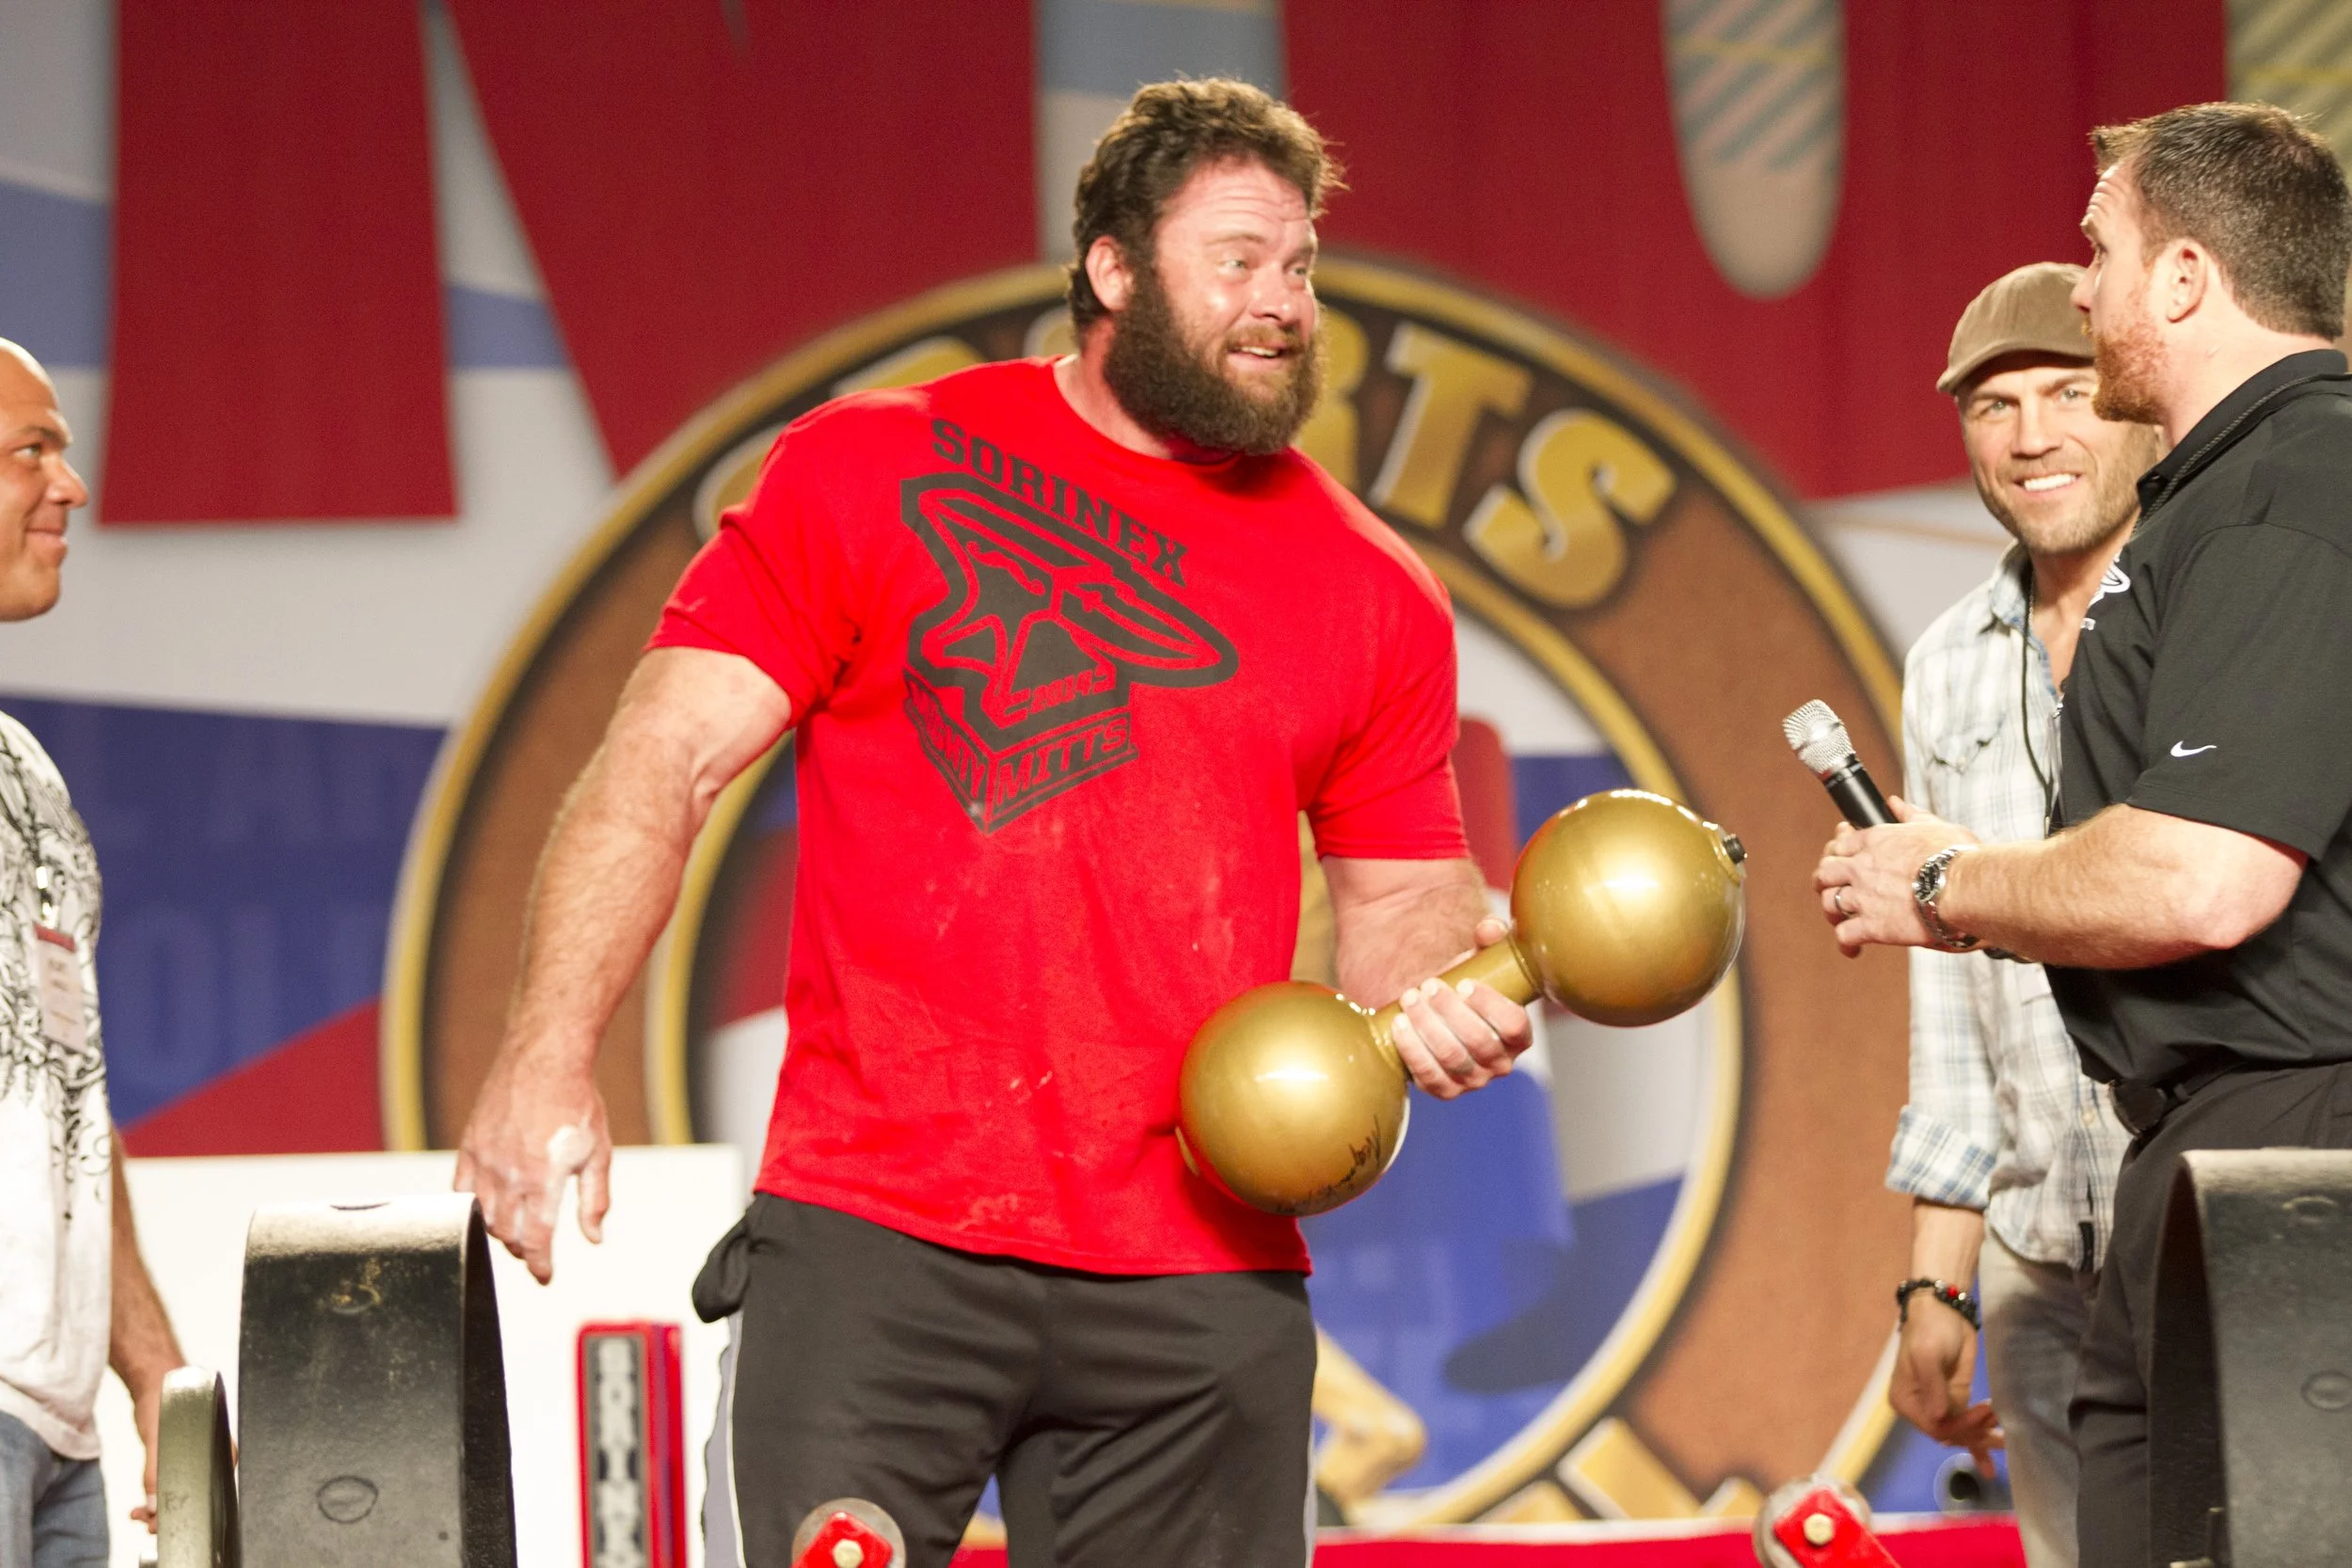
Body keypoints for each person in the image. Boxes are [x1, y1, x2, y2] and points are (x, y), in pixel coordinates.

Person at [457, 80, 1532, 1568]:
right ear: (1111, 268)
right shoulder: (869, 465)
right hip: (879, 1234)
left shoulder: (1375, 588)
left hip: (1198, 1274)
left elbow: (1403, 909)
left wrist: (1443, 1003)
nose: (1282, 302)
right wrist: (543, 1053)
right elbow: (665, 762)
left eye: (1299, 267)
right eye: (1238, 259)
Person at [1812, 103, 2352, 1568]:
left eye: (2099, 252)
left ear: (2184, 277)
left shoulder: (2288, 485)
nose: (2089, 281)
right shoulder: (2224, 495)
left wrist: (1948, 877)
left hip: (2296, 1150)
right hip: (2195, 1156)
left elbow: (2203, 872)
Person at [1883, 262, 2160, 1568]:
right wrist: (1938, 1282)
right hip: (2040, 1257)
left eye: (2067, 390)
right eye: (1995, 405)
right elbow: (1954, 1006)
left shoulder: (2223, 611)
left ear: (2142, 402)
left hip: (2224, 1225)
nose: (2032, 433)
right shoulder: (1948, 661)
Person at [0, 339, 187, 1565]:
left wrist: (157, 1375)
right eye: (33, 451)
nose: (72, 487)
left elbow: (72, 1095)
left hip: (51, 1435)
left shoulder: (31, 783)